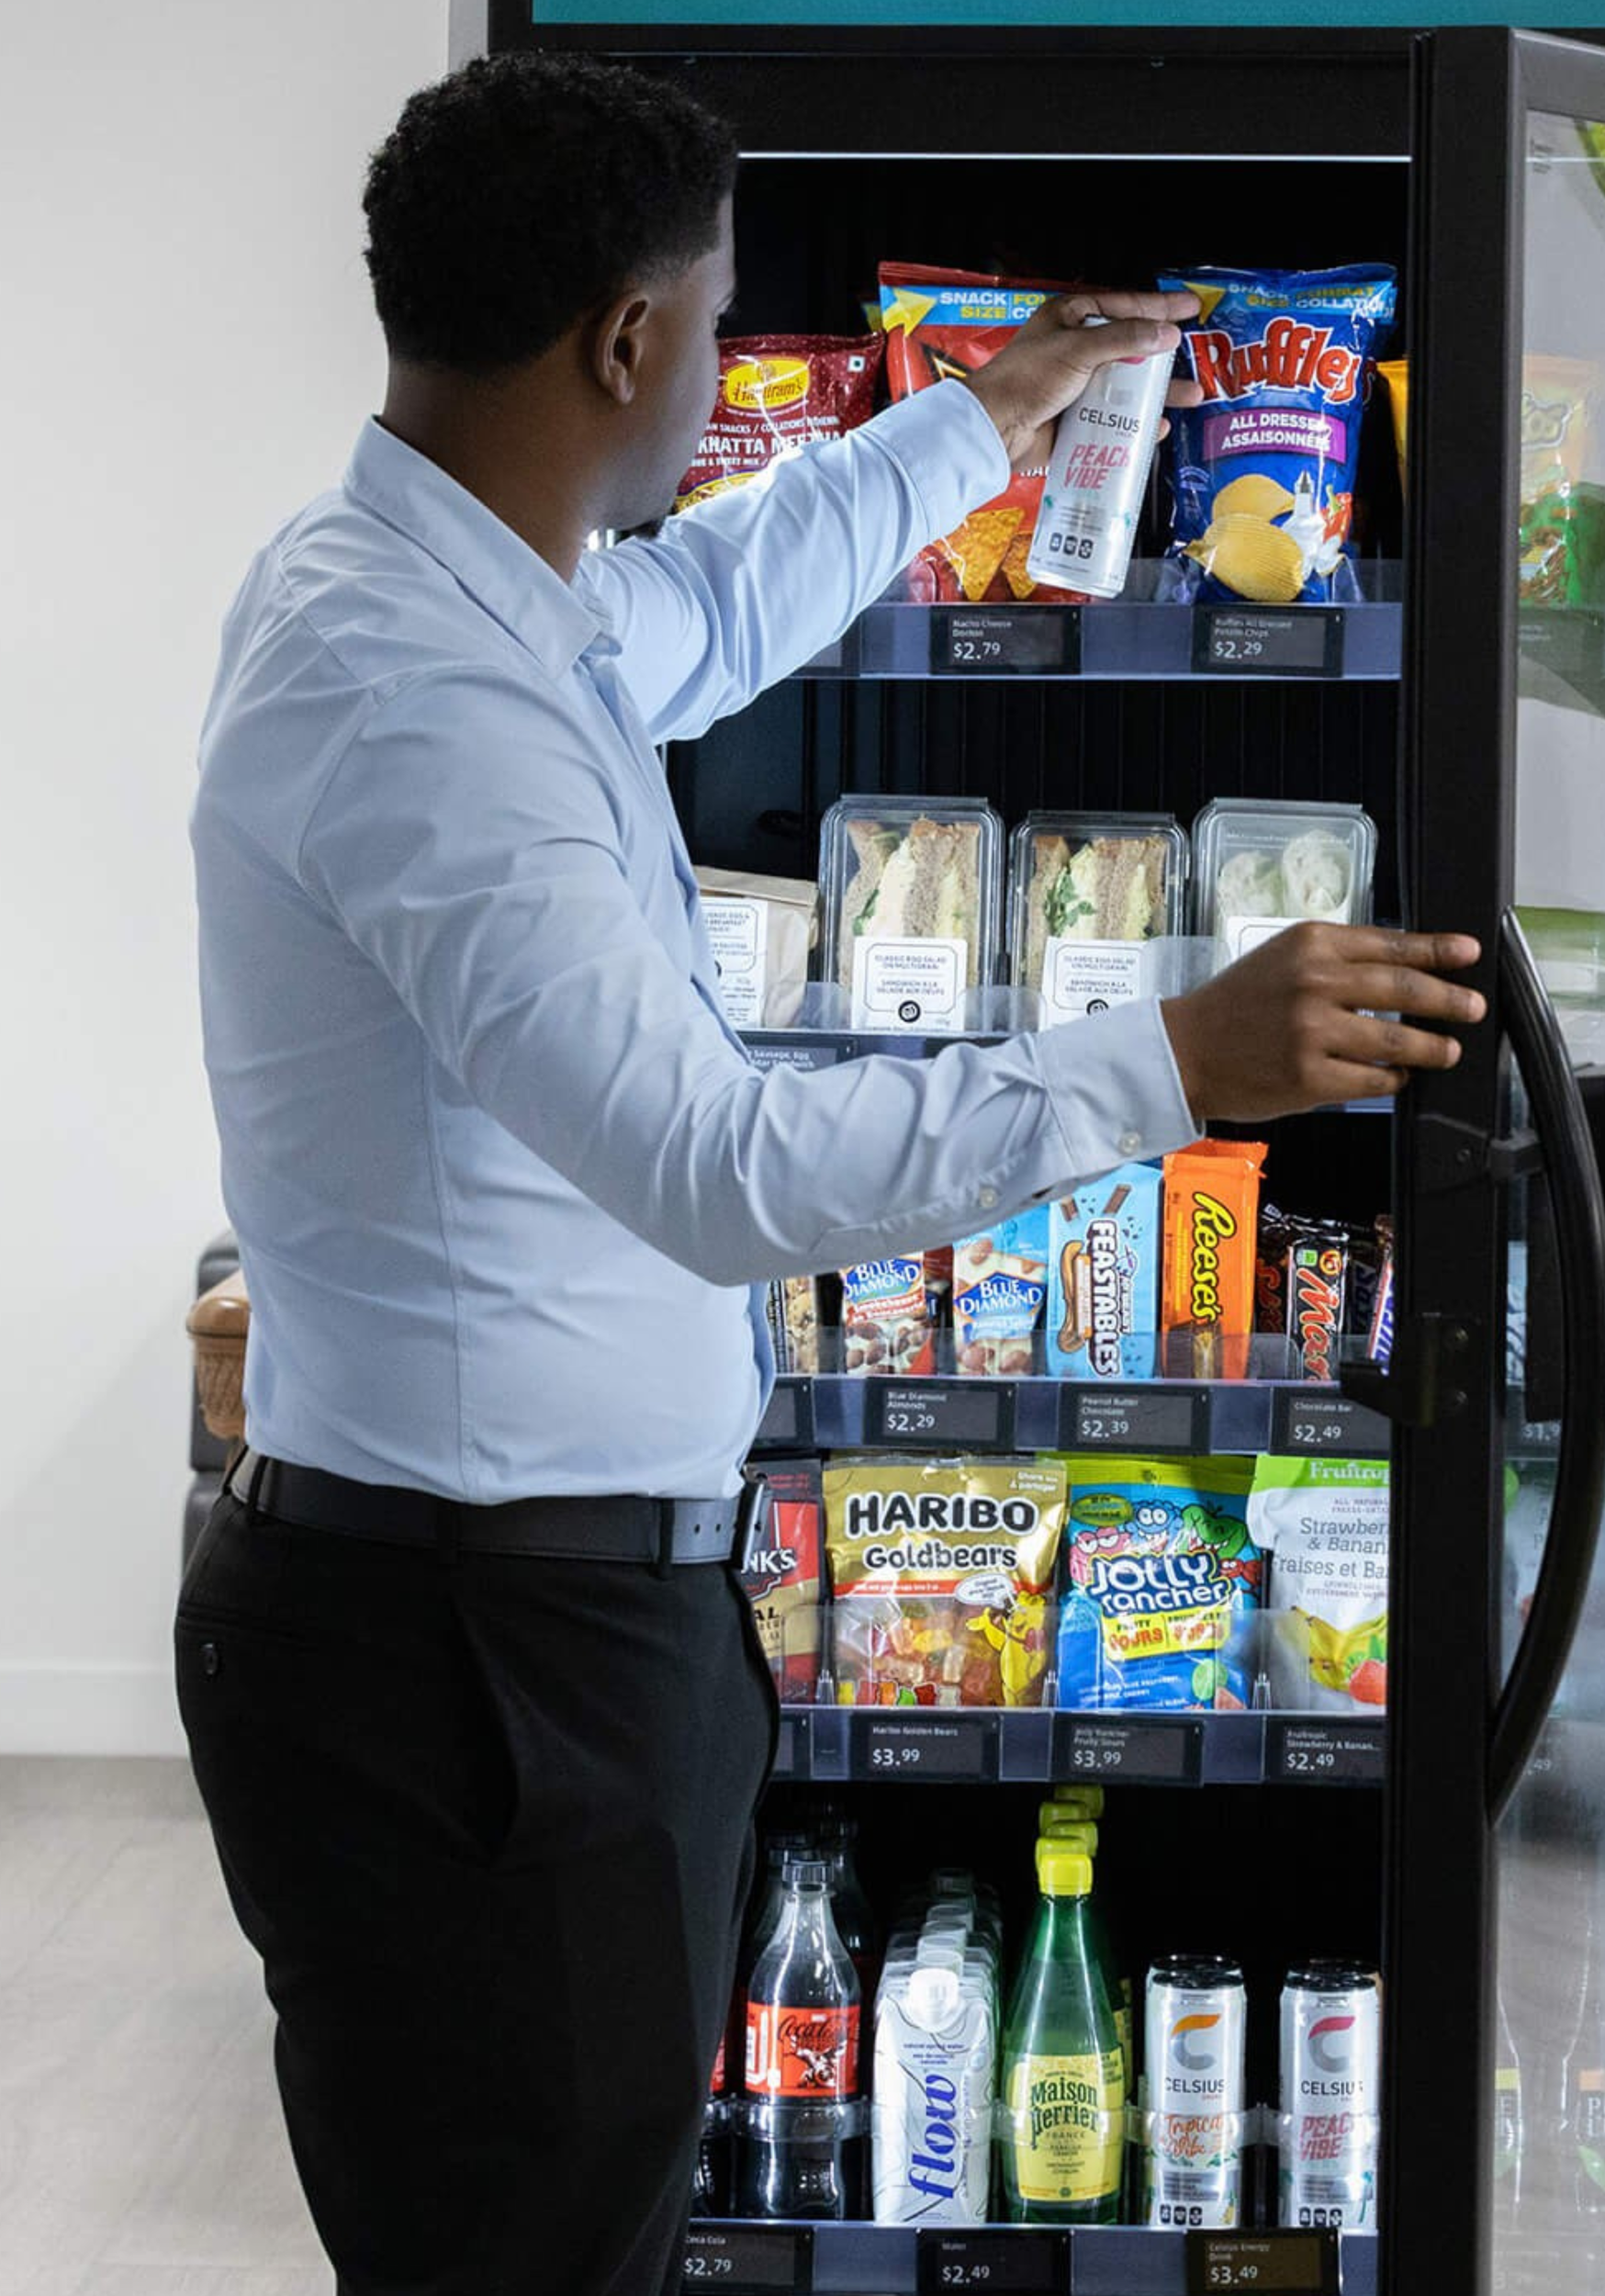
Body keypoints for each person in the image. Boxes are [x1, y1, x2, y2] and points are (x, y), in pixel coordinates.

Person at [177, 49, 1482, 2296]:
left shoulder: (477, 588)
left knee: (550, 2227)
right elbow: (715, 1164)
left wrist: (987, 410)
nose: (714, 374)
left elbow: (730, 601)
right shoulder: (423, 699)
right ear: (626, 341)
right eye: (706, 317)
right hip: (483, 1664)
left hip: (523, 1621)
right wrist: (1172, 1054)